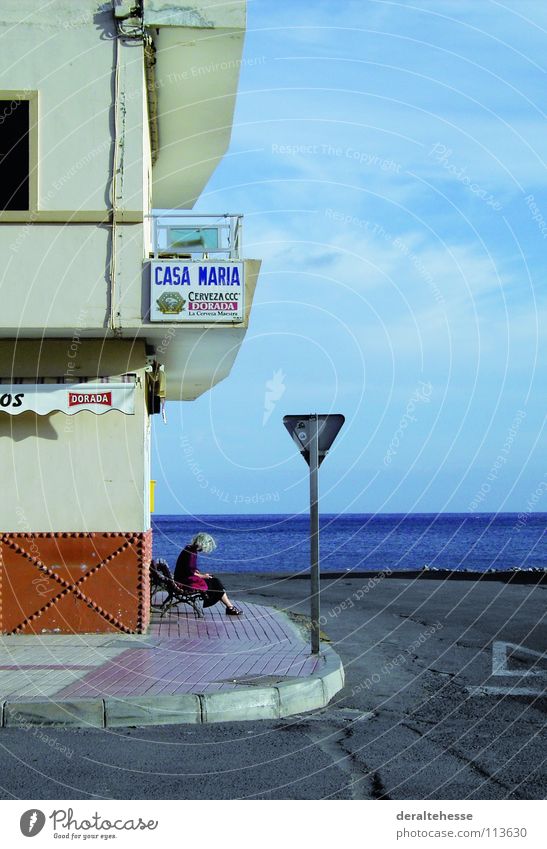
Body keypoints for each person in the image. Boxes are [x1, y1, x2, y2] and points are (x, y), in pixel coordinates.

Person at [174, 532, 243, 616]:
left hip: (182, 578)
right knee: (215, 583)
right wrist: (203, 576)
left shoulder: (189, 549)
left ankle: (230, 607)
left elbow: (187, 568)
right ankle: (230, 607)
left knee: (214, 581)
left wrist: (198, 573)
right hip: (185, 581)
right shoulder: (191, 552)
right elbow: (189, 572)